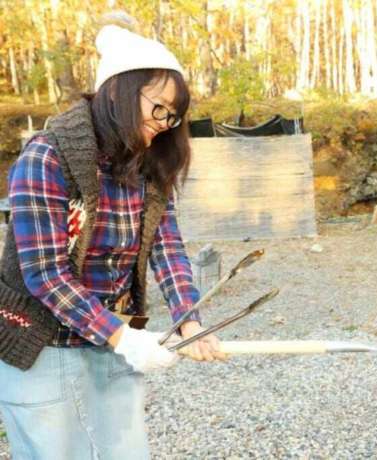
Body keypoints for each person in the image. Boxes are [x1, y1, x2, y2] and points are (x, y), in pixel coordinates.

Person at [0, 23, 227, 459]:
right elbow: (45, 274)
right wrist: (121, 337)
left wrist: (189, 319)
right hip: (43, 346)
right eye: (157, 107)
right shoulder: (46, 157)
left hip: (113, 342)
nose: (164, 124)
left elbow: (166, 246)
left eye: (172, 115)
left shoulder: (145, 163)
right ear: (117, 93)